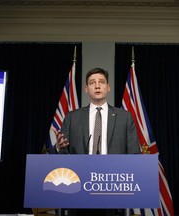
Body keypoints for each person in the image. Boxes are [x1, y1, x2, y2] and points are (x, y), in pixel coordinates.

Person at [48, 67, 141, 216]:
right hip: (78, 191)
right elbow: (61, 157)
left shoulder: (125, 117)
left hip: (113, 189)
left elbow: (134, 154)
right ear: (86, 88)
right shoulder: (72, 118)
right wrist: (58, 148)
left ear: (108, 87)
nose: (97, 86)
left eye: (101, 82)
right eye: (92, 83)